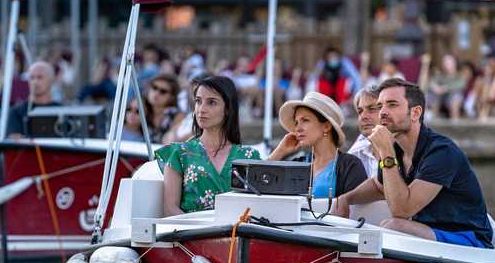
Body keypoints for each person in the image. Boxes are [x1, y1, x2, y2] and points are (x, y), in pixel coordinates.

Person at [337, 78, 493, 248]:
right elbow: (378, 186)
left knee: (393, 226)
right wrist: (346, 199)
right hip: (431, 234)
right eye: (380, 106)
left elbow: (402, 210)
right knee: (387, 226)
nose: (382, 112)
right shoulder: (396, 149)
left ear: (415, 113)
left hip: (468, 239)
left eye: (392, 105)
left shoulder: (441, 152)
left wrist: (386, 153)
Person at [156, 75, 261, 215]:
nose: (201, 109)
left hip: (237, 233)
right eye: (198, 101)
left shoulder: (248, 156)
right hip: (191, 234)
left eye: (211, 102)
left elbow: (258, 204)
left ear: (228, 109)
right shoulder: (178, 154)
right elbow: (170, 209)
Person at [268, 91, 367, 199]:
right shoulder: (298, 164)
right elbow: (256, 185)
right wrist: (280, 151)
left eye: (305, 120)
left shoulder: (350, 165)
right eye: (296, 122)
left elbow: (355, 210)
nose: (297, 128)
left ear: (326, 127)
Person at [6, 60, 62, 137]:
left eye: (40, 77)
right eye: (32, 78)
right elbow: (14, 142)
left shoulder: (62, 112)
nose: (35, 82)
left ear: (51, 80)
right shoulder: (17, 112)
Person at [347, 86, 379, 177]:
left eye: (372, 109)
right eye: (360, 111)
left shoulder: (404, 151)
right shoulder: (355, 153)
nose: (363, 116)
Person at [144, 73, 185, 143]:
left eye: (163, 91)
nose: (156, 93)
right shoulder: (137, 108)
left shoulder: (176, 116)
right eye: (154, 87)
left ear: (172, 97)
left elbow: (172, 144)